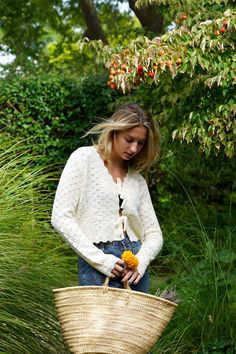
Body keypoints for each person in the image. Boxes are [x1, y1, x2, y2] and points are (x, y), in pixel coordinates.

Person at [51, 103, 163, 293]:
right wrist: (101, 261)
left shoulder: (137, 180)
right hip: (97, 264)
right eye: (129, 139)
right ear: (114, 132)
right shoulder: (83, 159)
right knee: (98, 324)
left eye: (141, 143)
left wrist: (142, 261)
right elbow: (60, 217)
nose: (134, 148)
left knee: (135, 324)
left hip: (135, 269)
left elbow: (154, 233)